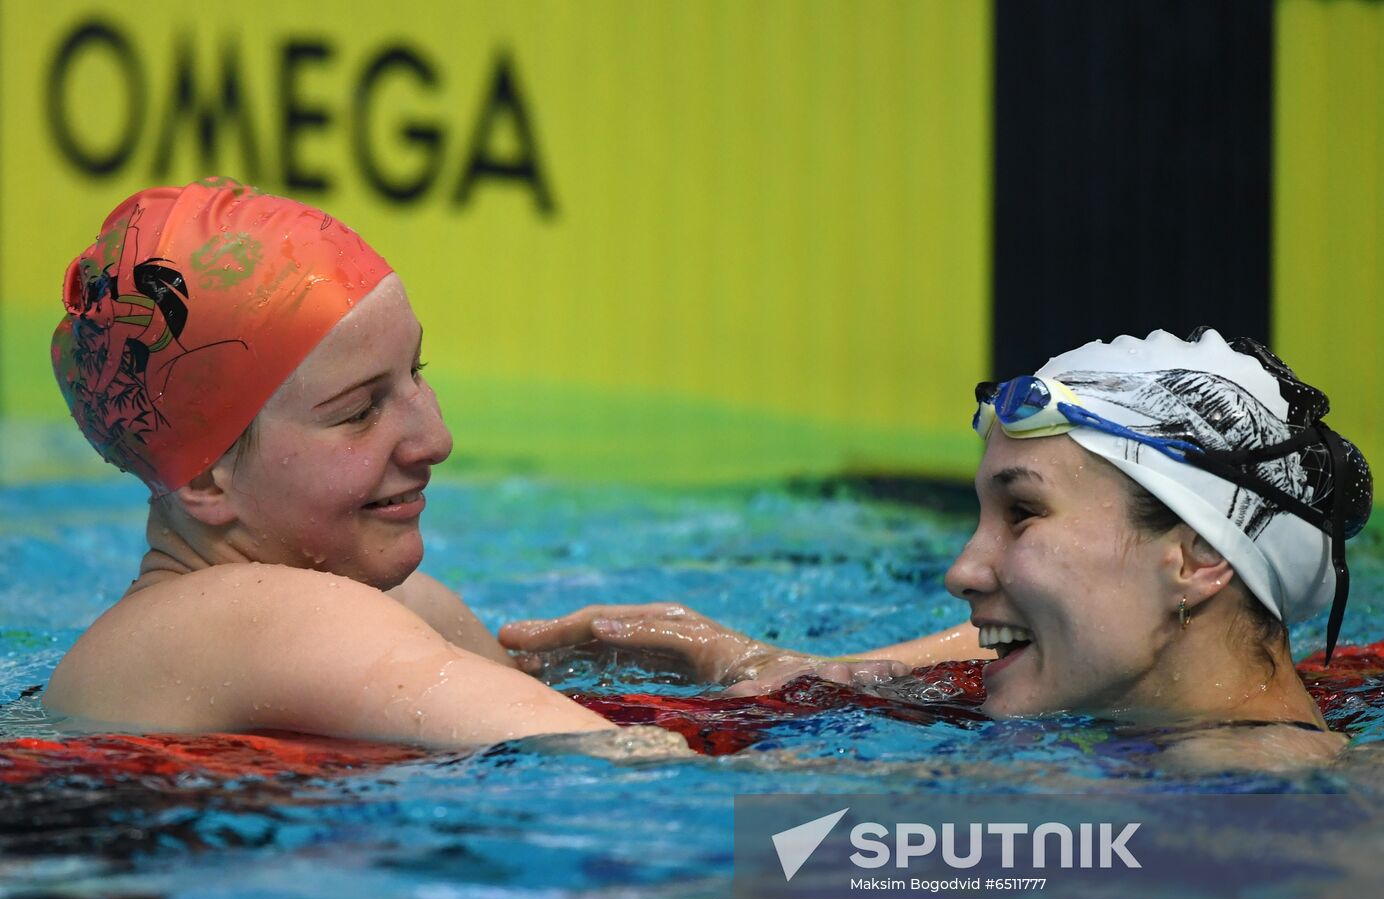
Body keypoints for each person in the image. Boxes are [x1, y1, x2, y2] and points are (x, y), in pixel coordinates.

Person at [501, 329, 1374, 769]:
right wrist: (804, 668)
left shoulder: (1258, 812)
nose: (962, 570)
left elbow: (793, 870)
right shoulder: (1169, 727)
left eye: (1023, 515)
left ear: (1193, 559)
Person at [43, 178, 617, 747]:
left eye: (417, 370)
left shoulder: (384, 600)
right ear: (203, 479)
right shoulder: (263, 616)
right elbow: (609, 762)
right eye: (360, 411)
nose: (436, 440)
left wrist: (700, 677)